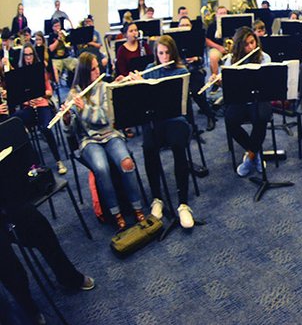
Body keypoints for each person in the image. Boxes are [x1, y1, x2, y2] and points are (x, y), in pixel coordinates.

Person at [61, 52, 145, 230]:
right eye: (93, 69)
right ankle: (116, 213)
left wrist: (84, 109)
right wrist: (67, 119)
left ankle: (136, 207)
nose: (97, 71)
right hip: (89, 141)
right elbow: (71, 133)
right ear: (84, 72)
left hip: (110, 134)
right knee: (101, 168)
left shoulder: (105, 87)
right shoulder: (73, 95)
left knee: (126, 162)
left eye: (97, 66)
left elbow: (105, 118)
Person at [132, 36, 195, 229]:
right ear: (156, 53)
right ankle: (157, 199)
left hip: (176, 120)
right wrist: (136, 82)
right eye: (161, 53)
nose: (164, 57)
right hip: (156, 121)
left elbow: (183, 106)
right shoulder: (150, 71)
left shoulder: (181, 71)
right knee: (148, 147)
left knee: (177, 145)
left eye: (168, 53)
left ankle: (183, 203)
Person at [222, 27, 272, 177]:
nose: (251, 47)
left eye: (252, 42)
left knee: (261, 117)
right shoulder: (231, 60)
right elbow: (228, 86)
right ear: (239, 46)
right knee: (230, 120)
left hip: (259, 98)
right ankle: (255, 153)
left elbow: (268, 83)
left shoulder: (264, 58)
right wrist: (220, 81)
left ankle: (249, 156)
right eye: (246, 44)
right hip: (240, 99)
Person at [11, 43, 68, 175]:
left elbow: (49, 91)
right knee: (15, 122)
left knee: (45, 128)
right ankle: (33, 163)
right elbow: (17, 96)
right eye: (25, 55)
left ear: (34, 56)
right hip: (28, 107)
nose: (28, 58)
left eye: (30, 54)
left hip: (42, 104)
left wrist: (40, 94)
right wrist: (26, 100)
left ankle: (59, 161)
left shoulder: (39, 69)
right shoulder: (19, 73)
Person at [176, 16, 216, 131]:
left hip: (195, 70)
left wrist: (196, 58)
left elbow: (203, 60)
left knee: (197, 93)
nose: (184, 28)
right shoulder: (174, 40)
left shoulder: (196, 38)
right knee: (184, 96)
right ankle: (191, 125)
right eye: (182, 25)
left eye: (187, 25)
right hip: (180, 72)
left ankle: (210, 116)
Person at [47, 19, 78, 84]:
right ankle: (57, 86)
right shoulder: (51, 36)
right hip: (56, 59)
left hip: (66, 57)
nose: (57, 28)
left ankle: (76, 83)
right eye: (55, 26)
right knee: (54, 69)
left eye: (58, 26)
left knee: (78, 63)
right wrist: (58, 39)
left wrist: (68, 42)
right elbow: (51, 49)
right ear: (52, 28)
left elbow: (70, 47)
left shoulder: (64, 34)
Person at [205, 5, 228, 81]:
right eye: (221, 13)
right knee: (213, 57)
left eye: (224, 13)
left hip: (231, 47)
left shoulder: (231, 22)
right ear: (216, 15)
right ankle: (216, 81)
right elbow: (207, 40)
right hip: (217, 48)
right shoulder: (212, 25)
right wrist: (219, 47)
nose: (223, 15)